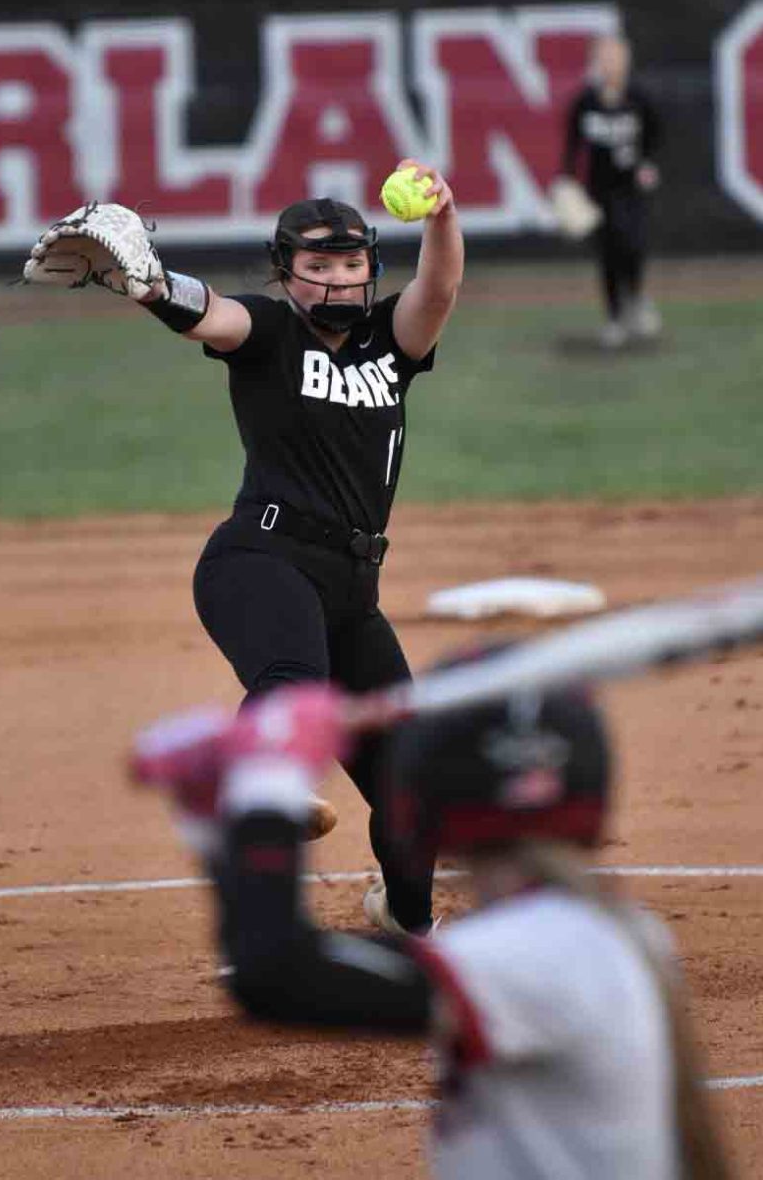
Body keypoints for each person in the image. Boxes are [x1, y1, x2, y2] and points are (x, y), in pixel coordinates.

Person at [133, 667, 732, 1180]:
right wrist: (216, 822)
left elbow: (276, 971)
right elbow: (287, 957)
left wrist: (269, 782)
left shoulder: (549, 953)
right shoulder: (583, 935)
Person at [136, 160, 463, 935]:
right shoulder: (270, 330)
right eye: (318, 267)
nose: (338, 282)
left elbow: (440, 290)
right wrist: (147, 285)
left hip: (353, 594)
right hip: (260, 561)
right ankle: (247, 771)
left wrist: (443, 215)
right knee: (294, 679)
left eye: (351, 265)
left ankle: (407, 925)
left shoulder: (391, 342)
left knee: (413, 791)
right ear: (286, 274)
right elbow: (208, 315)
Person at [560, 33, 663, 348]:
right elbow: (572, 147)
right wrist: (566, 183)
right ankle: (615, 318)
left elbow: (655, 137)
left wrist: (648, 163)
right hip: (598, 190)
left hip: (631, 188)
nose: (611, 63)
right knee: (607, 254)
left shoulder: (639, 99)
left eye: (616, 56)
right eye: (604, 57)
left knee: (633, 245)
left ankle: (636, 299)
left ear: (626, 60)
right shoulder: (585, 102)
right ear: (595, 62)